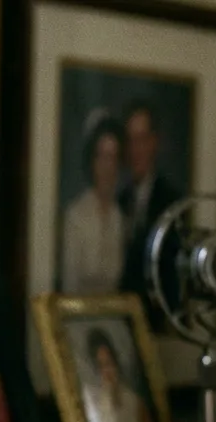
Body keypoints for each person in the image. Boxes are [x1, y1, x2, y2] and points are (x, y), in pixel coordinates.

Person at [117, 100, 183, 296]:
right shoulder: (120, 201)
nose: (135, 150)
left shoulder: (172, 203)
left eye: (142, 139)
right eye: (130, 140)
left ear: (154, 142)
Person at [61, 113, 126, 294]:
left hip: (114, 318)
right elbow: (70, 285)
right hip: (80, 318)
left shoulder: (119, 216)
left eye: (113, 158)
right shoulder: (76, 214)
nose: (107, 167)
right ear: (92, 161)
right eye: (102, 157)